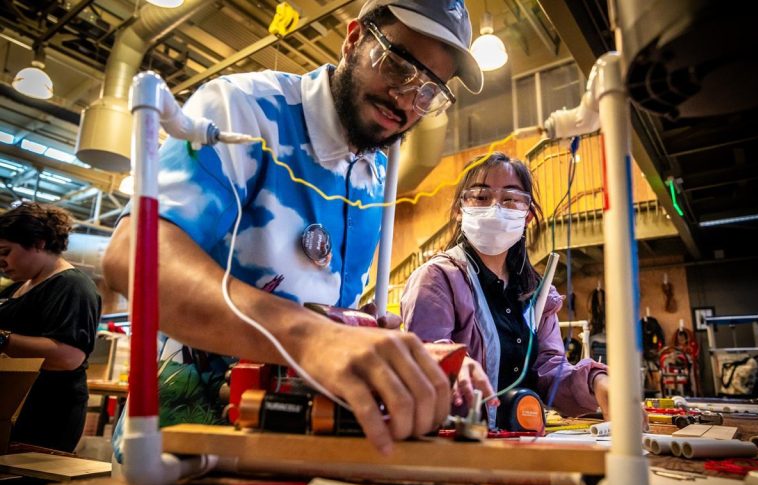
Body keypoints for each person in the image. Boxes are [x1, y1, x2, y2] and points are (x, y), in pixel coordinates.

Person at [103, 0, 483, 455]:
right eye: (398, 65)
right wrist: (308, 337)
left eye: (428, 92)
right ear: (354, 38)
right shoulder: (243, 110)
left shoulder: (373, 171)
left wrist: (407, 363)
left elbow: (330, 317)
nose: (405, 101)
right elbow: (132, 257)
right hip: (181, 451)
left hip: (294, 449)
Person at [400, 152, 610, 427]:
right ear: (459, 210)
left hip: (523, 439)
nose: (495, 208)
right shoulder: (437, 279)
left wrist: (598, 382)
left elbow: (550, 370)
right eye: (481, 197)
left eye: (510, 199)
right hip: (458, 446)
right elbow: (428, 357)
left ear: (528, 216)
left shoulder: (536, 291)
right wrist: (451, 365)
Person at [0, 202, 102, 452]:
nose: (1, 261)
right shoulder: (15, 288)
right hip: (12, 405)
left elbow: (68, 357)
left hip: (47, 411)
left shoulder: (73, 286)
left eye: (5, 251)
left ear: (39, 242)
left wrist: (3, 340)